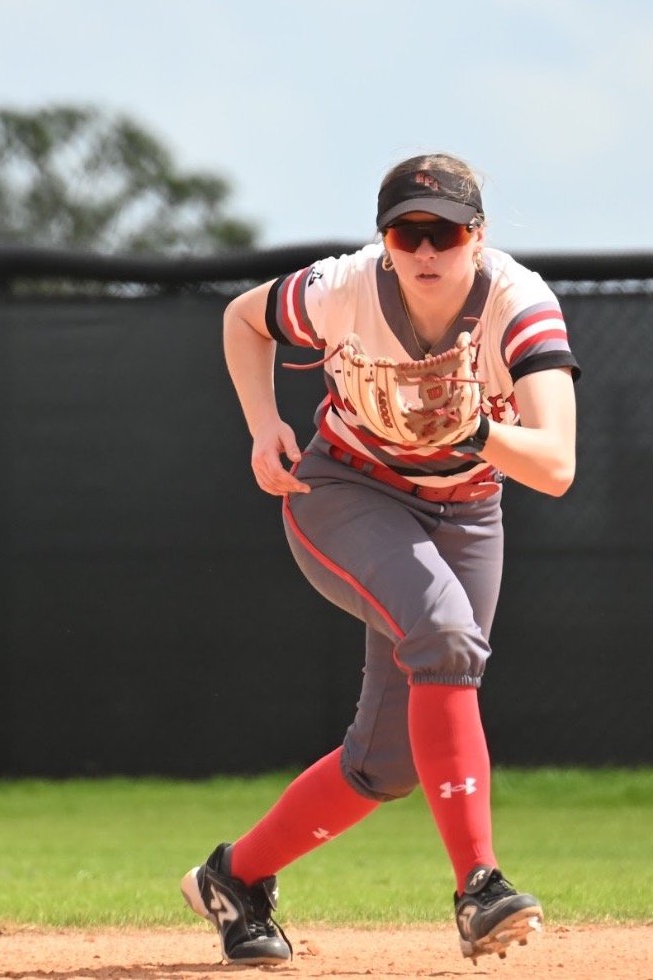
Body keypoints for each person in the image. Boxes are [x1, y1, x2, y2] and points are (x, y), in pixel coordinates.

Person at [183, 153, 581, 965]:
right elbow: (242, 319)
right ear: (385, 238)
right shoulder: (346, 286)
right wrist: (263, 425)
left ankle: (234, 877)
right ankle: (480, 885)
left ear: (480, 235)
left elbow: (557, 464)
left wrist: (474, 433)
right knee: (444, 634)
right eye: (409, 231)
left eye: (447, 231)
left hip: (467, 508)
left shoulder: (518, 304)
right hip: (344, 488)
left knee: (390, 761)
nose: (427, 250)